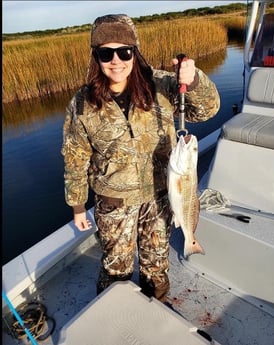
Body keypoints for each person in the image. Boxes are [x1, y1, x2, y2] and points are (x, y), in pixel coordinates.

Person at [61, 14, 220, 303]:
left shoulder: (161, 84)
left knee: (156, 265)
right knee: (116, 266)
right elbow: (75, 158)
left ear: (135, 52)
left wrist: (194, 81)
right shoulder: (81, 103)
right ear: (95, 56)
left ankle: (155, 308)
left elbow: (206, 110)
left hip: (161, 197)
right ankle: (114, 309)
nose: (116, 61)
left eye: (124, 51)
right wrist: (77, 206)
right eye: (106, 53)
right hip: (114, 203)